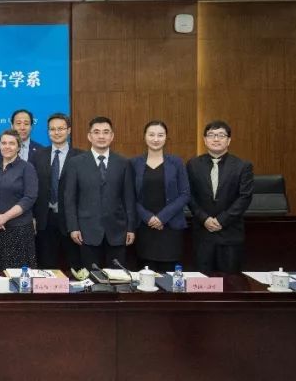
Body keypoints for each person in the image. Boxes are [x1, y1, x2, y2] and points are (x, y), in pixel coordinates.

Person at [63, 116, 136, 271]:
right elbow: (70, 199)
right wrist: (73, 227)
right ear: (89, 136)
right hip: (86, 231)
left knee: (118, 278)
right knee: (91, 277)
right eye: (96, 132)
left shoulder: (123, 163)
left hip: (117, 231)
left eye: (105, 132)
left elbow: (129, 198)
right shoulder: (76, 163)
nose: (101, 136)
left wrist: (131, 228)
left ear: (112, 136)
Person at [187, 120, 254, 275]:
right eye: (211, 135)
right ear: (205, 140)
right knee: (202, 282)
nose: (216, 139)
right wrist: (204, 219)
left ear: (229, 140)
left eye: (221, 135)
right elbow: (188, 195)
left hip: (230, 235)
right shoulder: (193, 164)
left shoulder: (242, 166)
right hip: (203, 234)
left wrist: (221, 220)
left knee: (230, 283)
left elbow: (244, 197)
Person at [130, 121, 191, 273]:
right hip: (144, 227)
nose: (155, 139)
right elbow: (129, 196)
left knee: (169, 275)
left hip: (170, 227)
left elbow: (185, 194)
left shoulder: (176, 162)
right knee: (145, 274)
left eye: (160, 135)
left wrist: (162, 217)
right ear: (144, 137)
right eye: (151, 135)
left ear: (166, 138)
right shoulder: (134, 163)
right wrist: (148, 217)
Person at [0, 129, 38, 271]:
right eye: (3, 143)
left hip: (18, 231)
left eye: (11, 143)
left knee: (16, 276)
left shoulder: (27, 168)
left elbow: (29, 197)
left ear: (18, 147)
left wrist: (4, 218)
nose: (7, 146)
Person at [31, 113, 84, 270]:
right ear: (48, 132)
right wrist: (32, 216)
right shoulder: (38, 155)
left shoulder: (81, 157)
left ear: (69, 130)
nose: (56, 132)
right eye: (52, 129)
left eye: (61, 128)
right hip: (44, 221)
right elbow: (33, 188)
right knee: (46, 268)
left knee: (73, 268)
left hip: (72, 222)